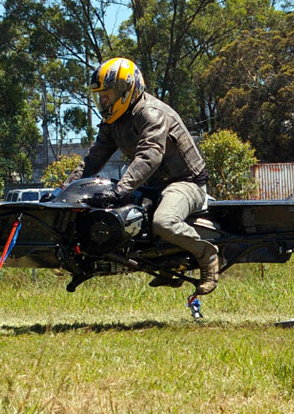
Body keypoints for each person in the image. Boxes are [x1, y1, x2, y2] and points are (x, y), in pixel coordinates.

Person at [64, 57, 219, 295]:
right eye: (100, 96)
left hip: (186, 183)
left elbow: (150, 155)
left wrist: (119, 191)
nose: (103, 101)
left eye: (108, 94)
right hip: (152, 185)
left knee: (163, 222)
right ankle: (169, 265)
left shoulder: (150, 113)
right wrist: (63, 191)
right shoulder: (113, 121)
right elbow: (93, 159)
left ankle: (207, 256)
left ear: (127, 90)